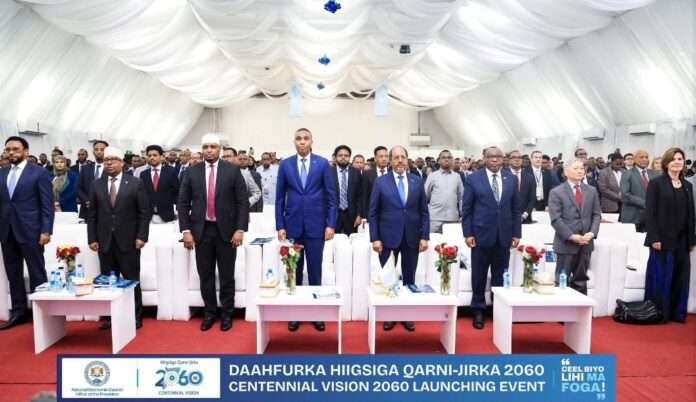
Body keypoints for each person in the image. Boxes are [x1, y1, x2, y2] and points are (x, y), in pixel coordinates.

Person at [178, 134, 249, 332]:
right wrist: (186, 230)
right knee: (205, 275)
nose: (209, 150)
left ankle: (227, 314)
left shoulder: (232, 170)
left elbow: (242, 202)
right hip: (201, 232)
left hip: (227, 232)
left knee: (227, 275)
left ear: (219, 149)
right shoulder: (192, 171)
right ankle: (209, 313)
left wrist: (240, 229)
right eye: (205, 147)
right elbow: (183, 203)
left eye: (213, 146)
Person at [276, 128, 336, 332]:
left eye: (306, 139)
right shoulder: (285, 164)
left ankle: (316, 313)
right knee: (294, 271)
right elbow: (279, 198)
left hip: (316, 226)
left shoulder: (323, 164)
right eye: (298, 139)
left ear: (312, 141)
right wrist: (280, 225)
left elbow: (331, 197)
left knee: (315, 270)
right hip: (292, 226)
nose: (302, 142)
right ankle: (295, 313)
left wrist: (330, 224)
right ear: (294, 142)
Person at [88, 146, 150, 330]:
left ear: (122, 162)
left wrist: (142, 236)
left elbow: (144, 213)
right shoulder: (96, 184)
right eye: (107, 160)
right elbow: (92, 215)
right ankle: (112, 317)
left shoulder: (135, 183)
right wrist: (92, 238)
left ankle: (135, 316)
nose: (109, 163)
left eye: (114, 159)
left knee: (131, 280)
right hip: (105, 241)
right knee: (108, 282)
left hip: (129, 241)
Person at [369, 146, 429, 332]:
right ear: (390, 161)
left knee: (409, 277)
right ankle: (390, 314)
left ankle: (407, 314)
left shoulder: (417, 181)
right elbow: (373, 213)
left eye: (403, 157)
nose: (400, 161)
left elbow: (424, 212)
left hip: (412, 237)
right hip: (387, 238)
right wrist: (375, 238)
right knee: (389, 279)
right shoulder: (381, 182)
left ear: (407, 159)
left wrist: (424, 236)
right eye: (396, 157)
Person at [462, 146, 521, 330]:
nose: (494, 160)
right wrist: (468, 233)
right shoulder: (473, 178)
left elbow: (516, 209)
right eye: (490, 156)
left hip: (504, 235)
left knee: (500, 275)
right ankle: (478, 310)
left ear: (503, 159)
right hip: (480, 235)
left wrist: (516, 233)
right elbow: (467, 209)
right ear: (484, 159)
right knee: (479, 275)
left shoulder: (511, 179)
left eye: (498, 157)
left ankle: (498, 309)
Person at [0, 137, 54, 330]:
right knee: (13, 274)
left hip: (32, 231)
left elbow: (47, 205)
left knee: (37, 272)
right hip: (7, 232)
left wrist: (46, 230)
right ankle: (19, 312)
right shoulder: (2, 172)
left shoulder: (39, 172)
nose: (11, 152)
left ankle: (43, 313)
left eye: (15, 149)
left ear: (25, 151)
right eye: (8, 149)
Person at [644, 148, 695, 323]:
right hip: (662, 239)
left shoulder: (688, 186)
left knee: (681, 277)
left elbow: (691, 215)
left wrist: (692, 238)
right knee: (661, 277)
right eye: (673, 159)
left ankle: (677, 313)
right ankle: (659, 313)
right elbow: (650, 213)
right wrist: (654, 237)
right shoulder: (656, 183)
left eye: (680, 159)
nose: (677, 162)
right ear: (666, 163)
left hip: (683, 239)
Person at [548, 159, 602, 295]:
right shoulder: (556, 192)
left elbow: (596, 215)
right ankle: (563, 309)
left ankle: (580, 308)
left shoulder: (592, 191)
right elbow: (556, 219)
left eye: (582, 168)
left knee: (581, 281)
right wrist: (571, 236)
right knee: (562, 281)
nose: (580, 171)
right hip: (566, 244)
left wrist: (592, 233)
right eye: (576, 168)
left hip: (586, 243)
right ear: (566, 172)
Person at [424, 150, 463, 233]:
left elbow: (461, 197)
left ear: (452, 160)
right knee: (433, 241)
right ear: (438, 161)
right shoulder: (432, 176)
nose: (446, 159)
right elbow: (424, 196)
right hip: (434, 219)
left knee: (452, 241)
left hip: (452, 219)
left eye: (449, 157)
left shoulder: (457, 177)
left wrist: (463, 215)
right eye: (443, 157)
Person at [620, 150, 658, 232]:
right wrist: (645, 203)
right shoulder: (627, 173)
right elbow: (625, 195)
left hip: (651, 217)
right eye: (641, 157)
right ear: (635, 159)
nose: (644, 159)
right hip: (633, 216)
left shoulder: (655, 174)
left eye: (646, 157)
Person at [140, 145, 179, 224]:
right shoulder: (143, 174)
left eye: (155, 155)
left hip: (167, 215)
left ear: (161, 157)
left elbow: (177, 191)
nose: (152, 157)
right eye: (149, 155)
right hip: (149, 216)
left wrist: (176, 209)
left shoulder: (170, 172)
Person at [332, 145, 362, 235]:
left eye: (346, 155)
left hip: (351, 215)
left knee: (352, 240)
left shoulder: (356, 172)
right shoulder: (328, 172)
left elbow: (359, 195)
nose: (343, 157)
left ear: (349, 157)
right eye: (340, 155)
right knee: (332, 240)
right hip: (333, 215)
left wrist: (359, 214)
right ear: (335, 157)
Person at [77, 140, 108, 221]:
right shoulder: (85, 168)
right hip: (88, 209)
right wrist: (87, 201)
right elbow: (79, 188)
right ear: (93, 152)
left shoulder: (112, 168)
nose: (99, 152)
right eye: (96, 149)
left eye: (102, 149)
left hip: (107, 210)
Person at [361, 146, 390, 222]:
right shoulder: (367, 174)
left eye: (386, 156)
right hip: (373, 214)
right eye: (381, 156)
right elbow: (364, 196)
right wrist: (364, 216)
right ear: (375, 159)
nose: (384, 159)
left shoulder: (393, 173)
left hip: (390, 214)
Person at [508, 150, 536, 224]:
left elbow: (532, 198)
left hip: (525, 217)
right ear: (509, 161)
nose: (517, 159)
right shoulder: (503, 175)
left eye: (519, 157)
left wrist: (525, 214)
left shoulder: (530, 177)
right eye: (514, 157)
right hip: (507, 217)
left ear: (522, 160)